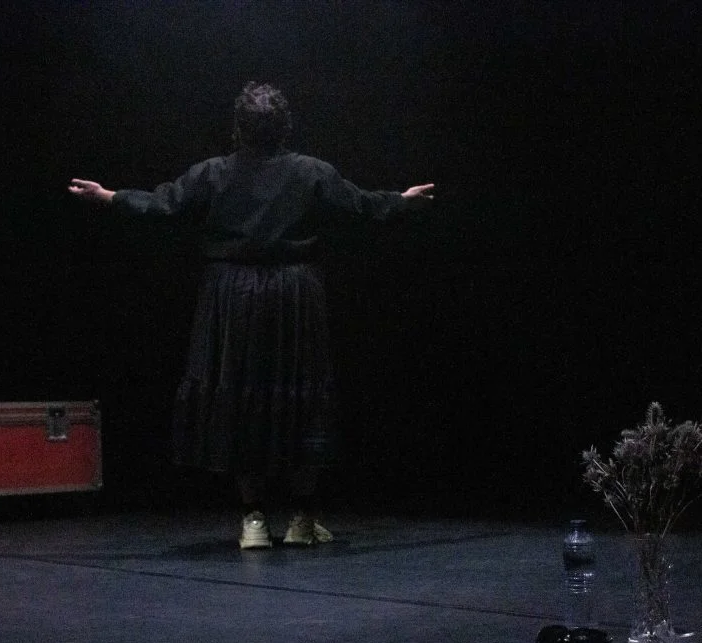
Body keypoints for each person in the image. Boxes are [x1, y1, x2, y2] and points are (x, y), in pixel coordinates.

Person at [70, 82, 433, 549]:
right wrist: (402, 200)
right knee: (300, 398)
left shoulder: (214, 172)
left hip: (234, 295)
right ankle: (301, 517)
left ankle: (254, 519)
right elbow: (360, 205)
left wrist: (108, 195)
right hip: (292, 293)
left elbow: (163, 206)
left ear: (238, 128)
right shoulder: (310, 171)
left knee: (242, 397)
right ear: (285, 127)